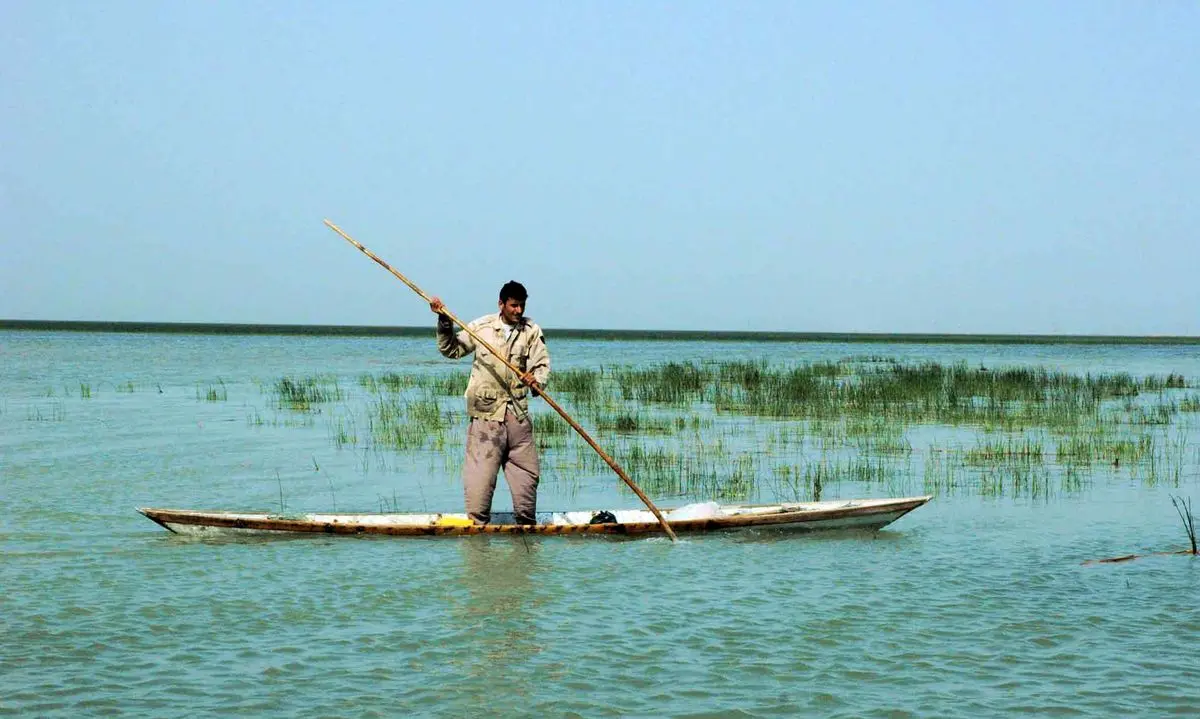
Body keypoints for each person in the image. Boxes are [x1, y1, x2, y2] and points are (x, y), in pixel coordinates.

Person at [430, 281, 550, 525]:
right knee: (480, 481)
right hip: (486, 417)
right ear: (501, 304)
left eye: (522, 306)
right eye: (514, 306)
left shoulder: (531, 331)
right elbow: (451, 350)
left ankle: (526, 531)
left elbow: (542, 365)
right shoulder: (480, 328)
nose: (518, 311)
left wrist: (535, 380)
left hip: (517, 415)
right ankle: (478, 538)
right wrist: (444, 321)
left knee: (527, 477)